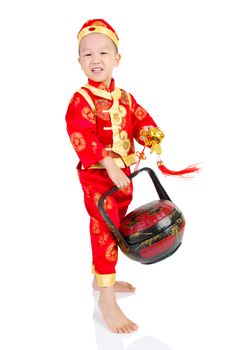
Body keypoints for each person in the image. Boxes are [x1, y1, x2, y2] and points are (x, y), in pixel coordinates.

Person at [65, 19, 161, 333]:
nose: (96, 60)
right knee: (104, 229)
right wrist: (108, 164)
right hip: (98, 178)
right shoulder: (82, 100)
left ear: (116, 59)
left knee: (117, 225)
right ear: (79, 61)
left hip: (125, 176)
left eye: (103, 53)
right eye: (88, 54)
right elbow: (81, 134)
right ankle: (106, 298)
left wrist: (150, 137)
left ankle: (101, 277)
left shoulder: (124, 98)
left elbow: (140, 120)